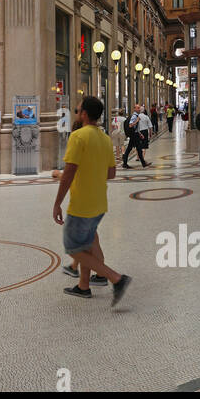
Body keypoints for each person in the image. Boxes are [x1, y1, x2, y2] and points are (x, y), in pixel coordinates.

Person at [51, 95, 132, 307]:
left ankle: (116, 278)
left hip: (82, 205)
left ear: (85, 114)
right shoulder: (104, 138)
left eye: (77, 111)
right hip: (99, 203)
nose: (77, 114)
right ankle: (84, 285)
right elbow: (111, 173)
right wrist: (91, 172)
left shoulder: (78, 137)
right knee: (87, 243)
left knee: (73, 249)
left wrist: (57, 202)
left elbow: (68, 173)